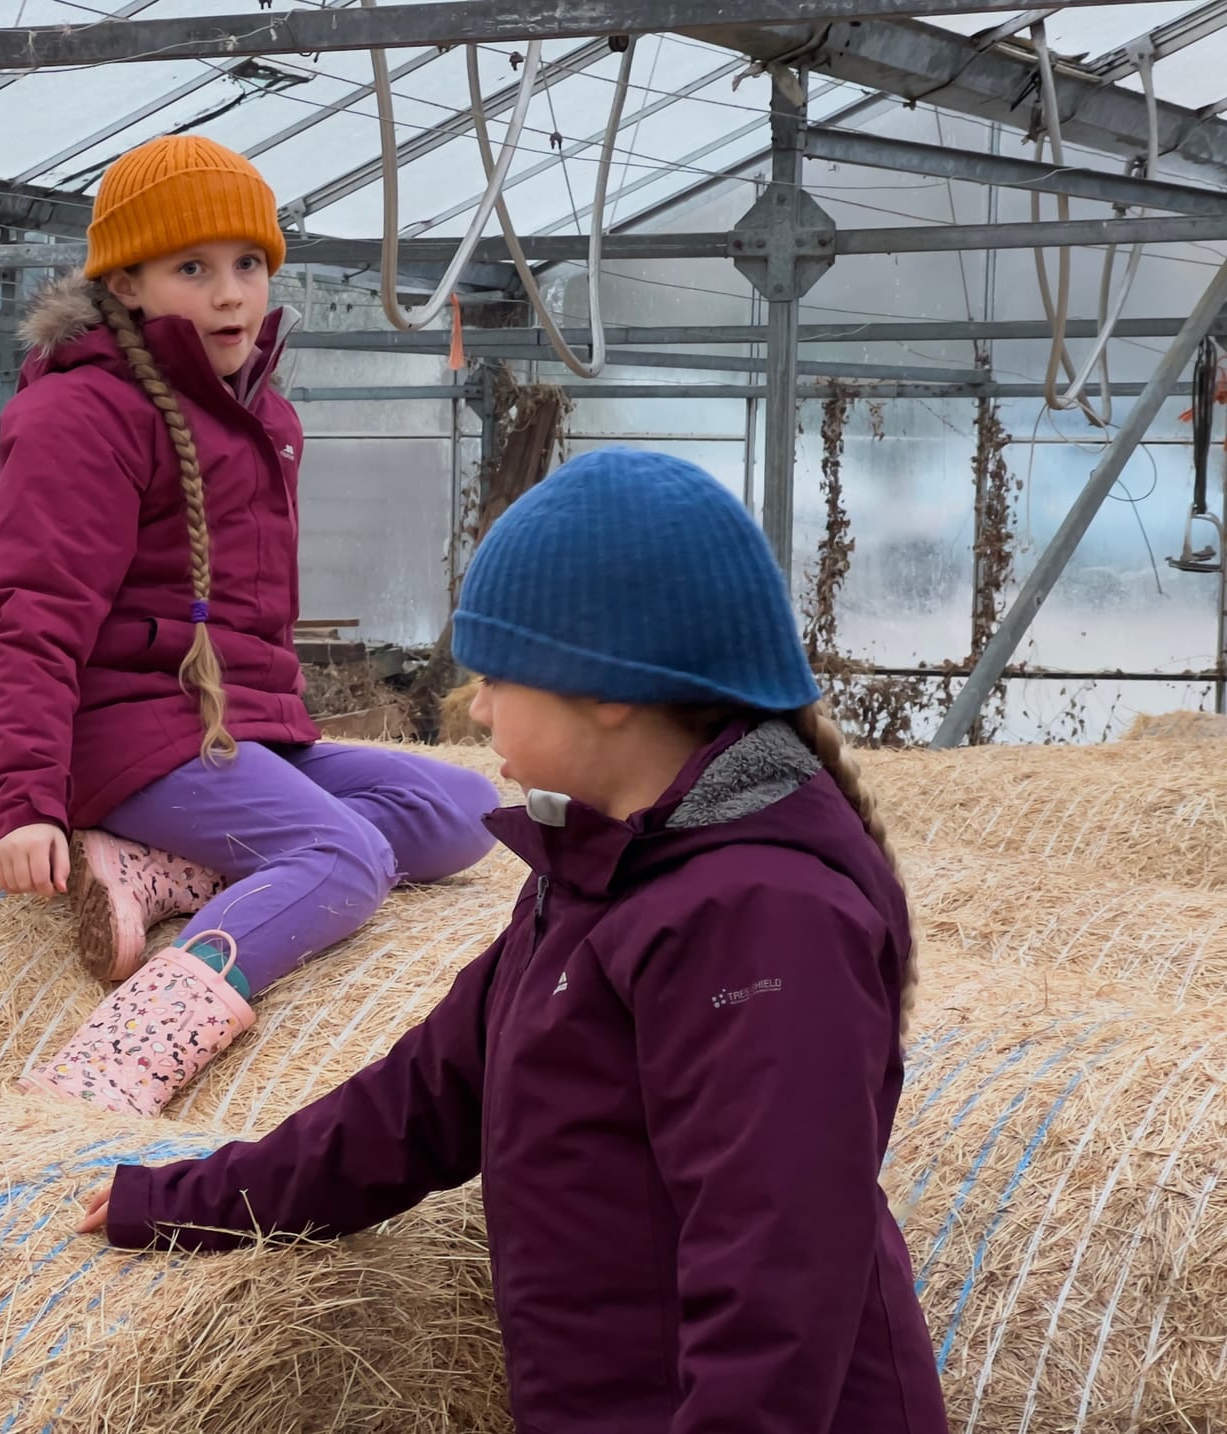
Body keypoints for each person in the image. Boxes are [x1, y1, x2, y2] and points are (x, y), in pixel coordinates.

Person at [74, 448, 952, 1432]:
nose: (477, 707)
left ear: (608, 687)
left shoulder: (760, 917)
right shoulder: (591, 879)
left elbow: (775, 1268)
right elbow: (416, 1104)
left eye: (496, 676)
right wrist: (193, 1201)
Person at [0, 134, 498, 1119]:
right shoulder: (81, 414)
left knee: (464, 813)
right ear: (124, 284)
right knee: (343, 860)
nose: (229, 295)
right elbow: (30, 621)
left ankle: (158, 869)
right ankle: (133, 1037)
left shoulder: (261, 417)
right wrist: (27, 804)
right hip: (126, 737)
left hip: (230, 730)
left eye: (248, 265)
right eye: (192, 269)